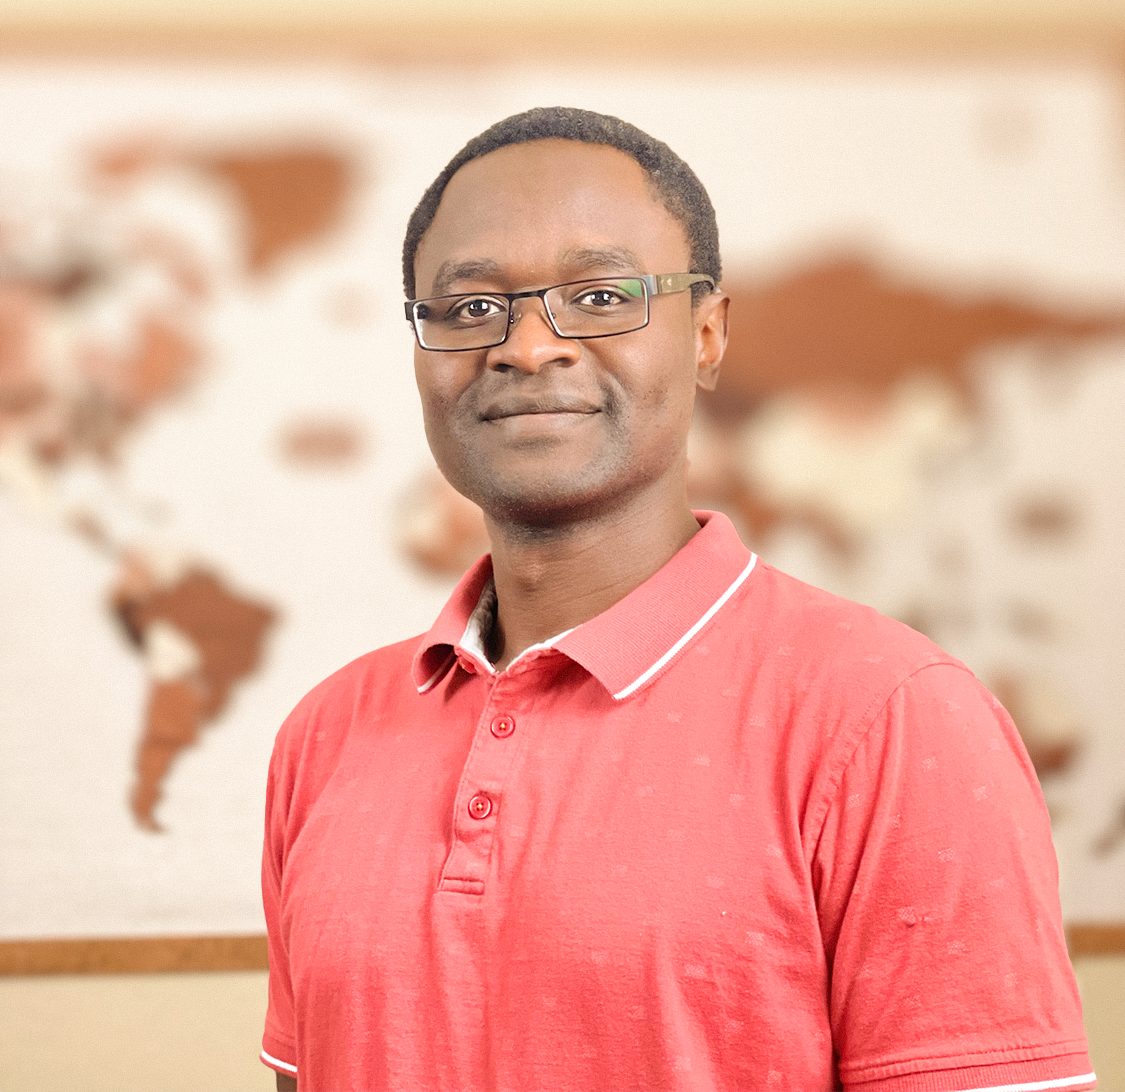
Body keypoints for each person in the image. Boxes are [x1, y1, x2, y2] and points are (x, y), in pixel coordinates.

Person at [260, 107, 1095, 1092]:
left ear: (707, 334)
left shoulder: (895, 718)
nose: (528, 347)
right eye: (471, 307)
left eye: (602, 293)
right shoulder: (325, 736)